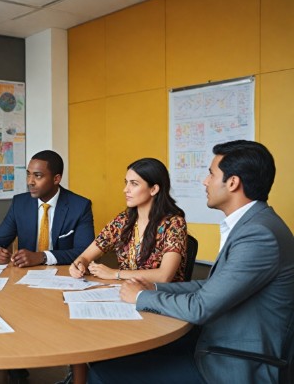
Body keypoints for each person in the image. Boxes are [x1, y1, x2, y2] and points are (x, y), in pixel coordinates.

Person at [90, 140, 294, 384]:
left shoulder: (259, 236)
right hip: (216, 339)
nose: (204, 181)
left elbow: (201, 306)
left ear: (232, 183)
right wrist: (152, 288)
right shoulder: (254, 224)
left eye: (211, 174)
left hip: (233, 362)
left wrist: (141, 297)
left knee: (105, 370)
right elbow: (208, 286)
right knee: (111, 357)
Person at [68, 157, 187, 384]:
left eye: (134, 184)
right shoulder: (123, 220)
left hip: (158, 306)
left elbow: (164, 275)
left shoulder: (174, 223)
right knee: (80, 329)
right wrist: (80, 263)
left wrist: (115, 274)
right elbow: (87, 253)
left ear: (154, 188)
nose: (125, 189)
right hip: (123, 301)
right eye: (126, 182)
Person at [0, 150, 94, 267]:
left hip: (65, 274)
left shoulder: (80, 206)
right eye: (28, 174)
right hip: (26, 275)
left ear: (56, 179)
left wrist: (42, 256)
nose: (30, 182)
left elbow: (85, 252)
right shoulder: (20, 203)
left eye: (38, 176)